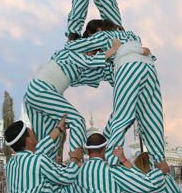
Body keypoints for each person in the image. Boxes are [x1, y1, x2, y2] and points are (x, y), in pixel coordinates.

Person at [67, 22, 165, 165]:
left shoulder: (103, 36)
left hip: (128, 67)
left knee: (121, 118)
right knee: (151, 117)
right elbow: (144, 51)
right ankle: (160, 162)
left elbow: (73, 47)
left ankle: (111, 163)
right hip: (149, 67)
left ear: (96, 31)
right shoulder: (131, 35)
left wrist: (76, 44)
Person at [24, 39, 121, 154]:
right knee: (77, 121)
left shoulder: (75, 69)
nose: (92, 55)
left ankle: (45, 166)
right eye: (92, 52)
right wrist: (113, 49)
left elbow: (95, 72)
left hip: (34, 95)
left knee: (47, 138)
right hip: (41, 90)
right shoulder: (69, 53)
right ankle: (76, 162)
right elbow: (90, 62)